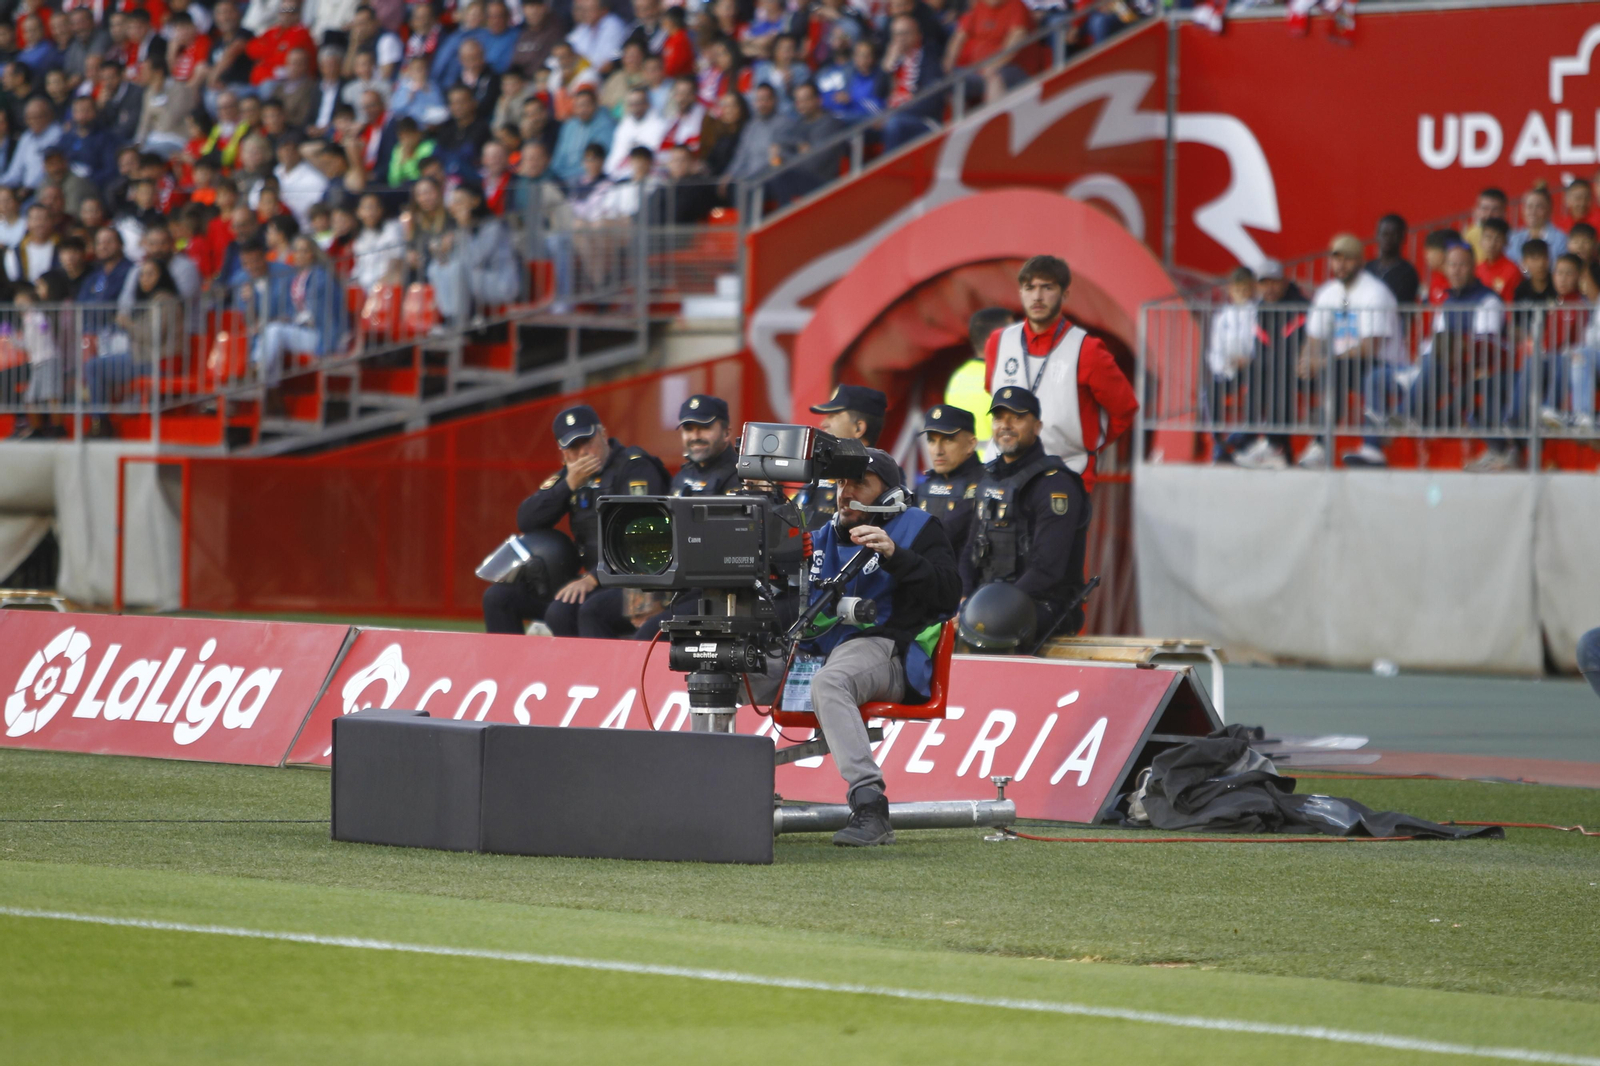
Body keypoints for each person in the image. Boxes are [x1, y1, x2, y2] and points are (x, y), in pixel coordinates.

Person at [776, 447, 960, 846]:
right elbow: (788, 603)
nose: (846, 492)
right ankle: (716, 791)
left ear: (889, 490)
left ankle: (870, 805)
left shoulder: (918, 527)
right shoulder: (819, 534)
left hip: (888, 650)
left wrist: (897, 556)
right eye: (841, 482)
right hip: (814, 649)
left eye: (860, 482)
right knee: (724, 664)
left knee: (830, 683)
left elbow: (948, 596)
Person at [483, 403, 669, 635]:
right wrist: (568, 485)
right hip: (588, 580)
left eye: (587, 442)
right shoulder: (571, 476)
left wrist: (592, 578)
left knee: (562, 611)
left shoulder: (634, 468)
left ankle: (580, 671)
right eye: (573, 447)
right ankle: (507, 670)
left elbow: (642, 539)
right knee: (498, 598)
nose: (582, 453)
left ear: (603, 434)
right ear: (563, 453)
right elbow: (527, 520)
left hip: (629, 582)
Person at [983, 254, 1139, 491]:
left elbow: (1124, 408)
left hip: (1064, 477)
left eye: (1047, 288)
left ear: (1064, 294)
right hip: (1003, 476)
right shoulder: (998, 342)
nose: (1037, 296)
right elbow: (991, 391)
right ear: (1021, 293)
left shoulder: (1087, 349)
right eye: (1030, 288)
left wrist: (1089, 444)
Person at [961, 385, 1090, 643]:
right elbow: (969, 550)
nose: (1005, 425)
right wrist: (964, 599)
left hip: (1041, 604)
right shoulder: (988, 478)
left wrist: (990, 609)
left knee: (993, 634)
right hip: (988, 602)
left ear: (1037, 426)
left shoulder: (1055, 485)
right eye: (999, 418)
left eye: (1017, 417)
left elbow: (1046, 569)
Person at [630, 393, 744, 641]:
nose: (695, 436)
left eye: (704, 427)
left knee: (647, 634)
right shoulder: (684, 475)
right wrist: (644, 596)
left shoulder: (738, 475)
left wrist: (661, 599)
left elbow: (726, 550)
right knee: (591, 611)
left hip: (715, 592)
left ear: (726, 432)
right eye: (688, 429)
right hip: (675, 583)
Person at [1299, 233, 1403, 468]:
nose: (1341, 265)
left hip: (1383, 365)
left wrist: (1321, 362)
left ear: (1359, 261)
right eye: (1336, 259)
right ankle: (1271, 444)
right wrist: (1306, 361)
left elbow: (1369, 348)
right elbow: (1313, 337)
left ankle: (1321, 445)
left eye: (1347, 259)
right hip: (1344, 364)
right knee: (1281, 369)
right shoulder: (1328, 292)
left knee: (1333, 370)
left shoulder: (1375, 292)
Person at [251, 234, 345, 385]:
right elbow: (299, 313)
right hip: (306, 331)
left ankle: (256, 371)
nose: (299, 255)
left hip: (323, 336)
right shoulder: (299, 276)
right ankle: (270, 392)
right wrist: (288, 318)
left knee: (275, 331)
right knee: (272, 330)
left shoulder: (320, 278)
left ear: (313, 254)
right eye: (296, 250)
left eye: (304, 251)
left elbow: (327, 318)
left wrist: (324, 351)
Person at [426, 180, 519, 323]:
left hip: (500, 284)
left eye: (459, 202)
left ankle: (459, 323)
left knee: (457, 270)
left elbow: (475, 260)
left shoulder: (493, 226)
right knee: (434, 268)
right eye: (453, 202)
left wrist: (463, 229)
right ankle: (450, 318)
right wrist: (441, 253)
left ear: (475, 202)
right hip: (475, 281)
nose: (454, 207)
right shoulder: (459, 230)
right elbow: (451, 264)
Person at [799, 383, 887, 527]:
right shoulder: (819, 472)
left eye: (833, 415)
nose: (824, 423)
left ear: (858, 427)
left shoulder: (884, 480)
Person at [915, 403, 983, 559]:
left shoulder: (985, 485)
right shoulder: (923, 487)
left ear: (971, 444)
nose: (938, 450)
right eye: (931, 440)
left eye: (948, 440)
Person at [1364, 214, 1419, 304]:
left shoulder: (1408, 272)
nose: (1388, 239)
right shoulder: (1366, 268)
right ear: (1377, 235)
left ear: (1402, 237)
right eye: (1384, 234)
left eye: (1393, 234)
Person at [1508, 185, 1567, 265]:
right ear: (1523, 210)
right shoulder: (1513, 239)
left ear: (1549, 210)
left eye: (1539, 207)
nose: (1533, 212)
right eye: (1529, 206)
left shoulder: (1561, 240)